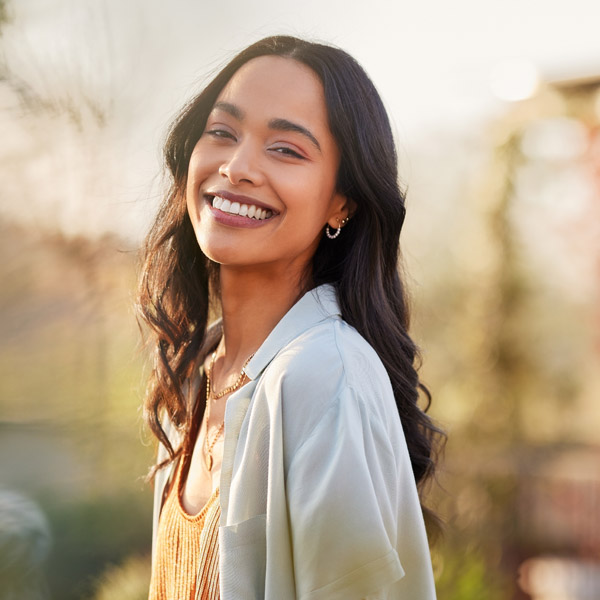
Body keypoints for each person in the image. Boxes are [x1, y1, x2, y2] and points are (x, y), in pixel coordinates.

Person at [138, 35, 443, 600]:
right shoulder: (197, 369)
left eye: (286, 150)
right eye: (222, 132)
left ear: (341, 202)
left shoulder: (325, 374)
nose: (237, 168)